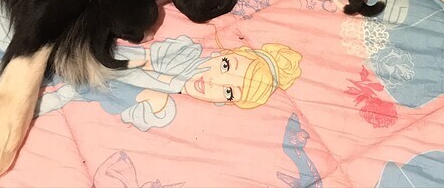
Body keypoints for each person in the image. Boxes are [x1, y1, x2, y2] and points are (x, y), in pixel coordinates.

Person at [39, 35, 302, 130]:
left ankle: (65, 92)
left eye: (230, 91)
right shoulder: (185, 51)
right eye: (225, 66)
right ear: (225, 54)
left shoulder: (168, 107)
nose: (213, 82)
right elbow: (144, 58)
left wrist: (151, 100)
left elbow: (141, 112)